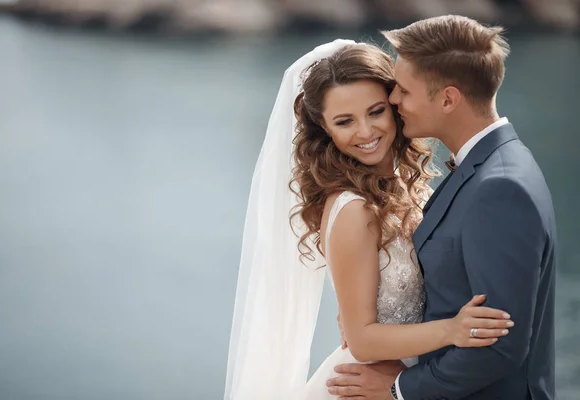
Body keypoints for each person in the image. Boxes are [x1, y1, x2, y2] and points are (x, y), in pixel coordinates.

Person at [224, 39, 512, 400]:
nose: (365, 132)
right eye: (344, 121)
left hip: (409, 380)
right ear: (324, 130)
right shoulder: (353, 209)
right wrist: (452, 331)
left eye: (375, 111)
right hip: (368, 388)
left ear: (396, 104)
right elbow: (361, 340)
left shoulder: (405, 182)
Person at [327, 15, 557, 400]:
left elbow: (499, 344)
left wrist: (399, 390)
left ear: (448, 99)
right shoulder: (483, 165)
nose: (394, 100)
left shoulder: (498, 187)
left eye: (403, 90)